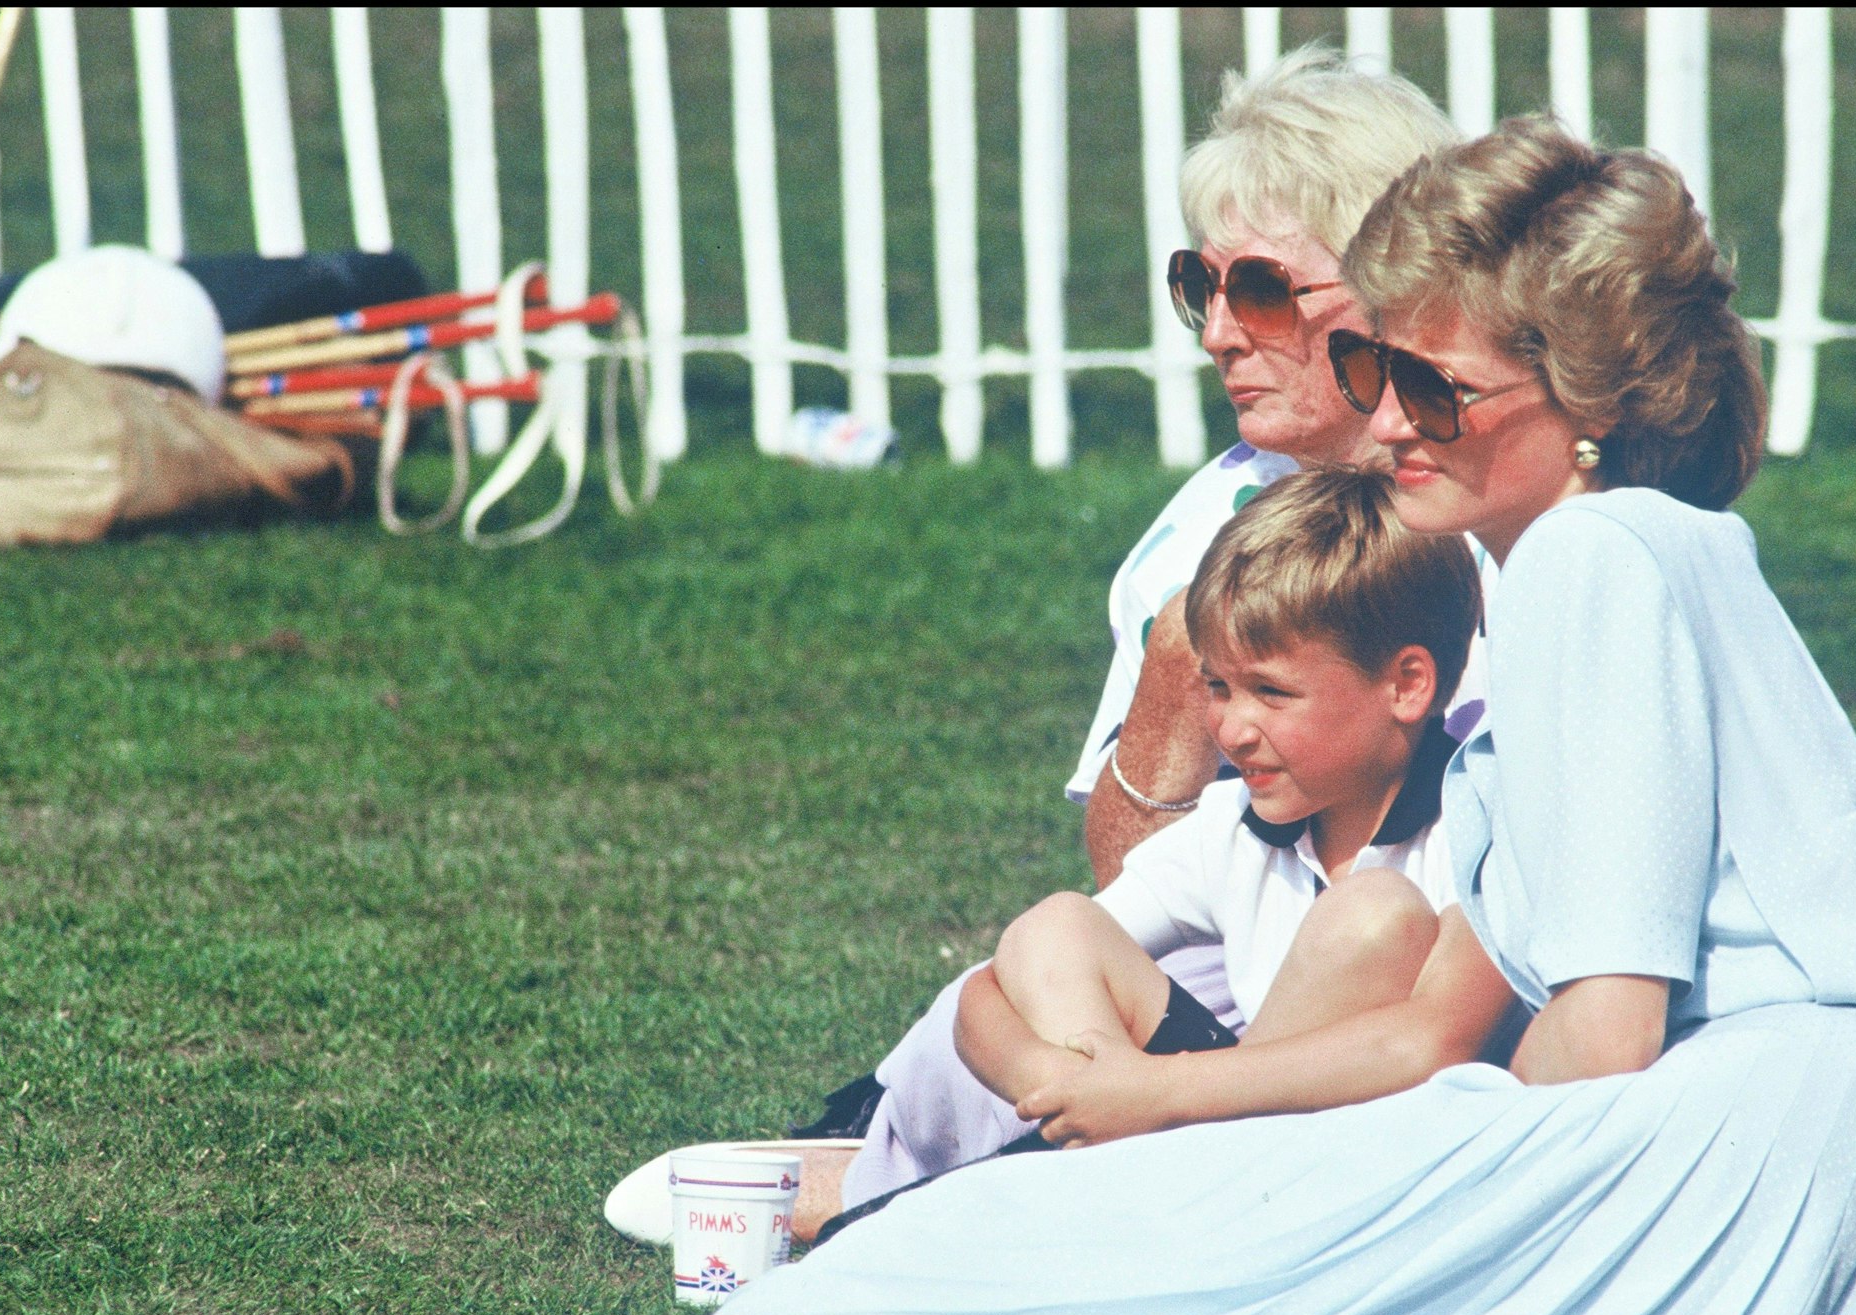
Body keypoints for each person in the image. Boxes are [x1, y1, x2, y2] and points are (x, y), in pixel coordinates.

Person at [216, 115, 1856, 1315]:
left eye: (1435, 388)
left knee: (1187, 1219)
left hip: (1723, 1146)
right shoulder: (1615, 565)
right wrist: (1219, 1112)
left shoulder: (1601, 562)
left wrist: (1353, 1147)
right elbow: (1460, 1014)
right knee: (1178, 1212)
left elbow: (1604, 1034)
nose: (1388, 421)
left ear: (1594, 409)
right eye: (1386, 372)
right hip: (1728, 1133)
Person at [604, 49, 1473, 1236]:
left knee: (1334, 940)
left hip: (1418, 978)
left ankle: (899, 1180)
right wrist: (1176, 683)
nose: (1218, 332)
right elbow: (1123, 873)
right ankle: (926, 1168)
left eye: (1262, 290)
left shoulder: (1489, 516)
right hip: (1239, 928)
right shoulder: (1211, 527)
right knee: (1037, 965)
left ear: (1391, 292)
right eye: (1197, 285)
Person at [956, 467, 1496, 1148]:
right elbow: (987, 992)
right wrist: (1070, 1084)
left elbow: (1429, 1044)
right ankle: (1109, 1175)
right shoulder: (1233, 825)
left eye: (1270, 692)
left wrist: (1157, 1093)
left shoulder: (1480, 817)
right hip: (1217, 1136)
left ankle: (1132, 1189)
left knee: (1371, 916)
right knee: (1054, 928)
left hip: (1392, 1159)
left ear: (1406, 684)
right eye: (1218, 686)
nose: (1232, 728)